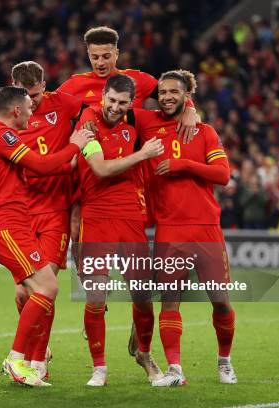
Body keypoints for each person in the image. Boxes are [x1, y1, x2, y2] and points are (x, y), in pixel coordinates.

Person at [57, 26, 198, 356]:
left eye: (107, 56)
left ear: (117, 54)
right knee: (77, 229)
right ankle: (96, 297)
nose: (101, 62)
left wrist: (190, 107)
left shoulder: (137, 80)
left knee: (139, 255)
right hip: (92, 174)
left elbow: (171, 91)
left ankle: (140, 318)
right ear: (86, 55)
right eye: (94, 57)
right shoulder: (75, 86)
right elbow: (50, 110)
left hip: (132, 173)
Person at [0, 86, 92, 386]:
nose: (33, 112)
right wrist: (75, 144)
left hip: (16, 223)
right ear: (16, 110)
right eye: (29, 107)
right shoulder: (1, 136)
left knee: (37, 289)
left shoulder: (2, 137)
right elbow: (40, 164)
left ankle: (29, 358)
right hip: (6, 226)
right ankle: (18, 359)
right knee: (47, 285)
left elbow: (39, 171)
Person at [132, 69, 237, 386]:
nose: (166, 97)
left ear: (186, 95)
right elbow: (113, 109)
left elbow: (223, 175)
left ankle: (224, 361)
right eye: (162, 92)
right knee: (170, 299)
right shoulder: (147, 123)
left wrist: (183, 165)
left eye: (173, 92)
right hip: (169, 228)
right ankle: (175, 369)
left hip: (206, 227)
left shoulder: (203, 131)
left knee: (220, 301)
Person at [76, 74, 165, 386]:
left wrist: (191, 109)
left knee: (143, 295)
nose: (114, 107)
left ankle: (144, 353)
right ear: (103, 95)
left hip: (129, 215)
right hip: (96, 215)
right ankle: (99, 368)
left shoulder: (135, 121)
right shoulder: (87, 124)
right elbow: (99, 169)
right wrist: (142, 154)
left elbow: (171, 108)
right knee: (97, 295)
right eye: (110, 100)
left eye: (122, 103)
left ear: (131, 103)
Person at [9, 60, 83, 379]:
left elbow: (96, 110)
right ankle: (40, 347)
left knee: (45, 284)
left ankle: (36, 363)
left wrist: (81, 145)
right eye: (27, 96)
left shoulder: (62, 104)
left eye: (37, 94)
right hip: (23, 213)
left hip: (55, 211)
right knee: (23, 294)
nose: (33, 102)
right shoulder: (7, 120)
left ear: (44, 86)